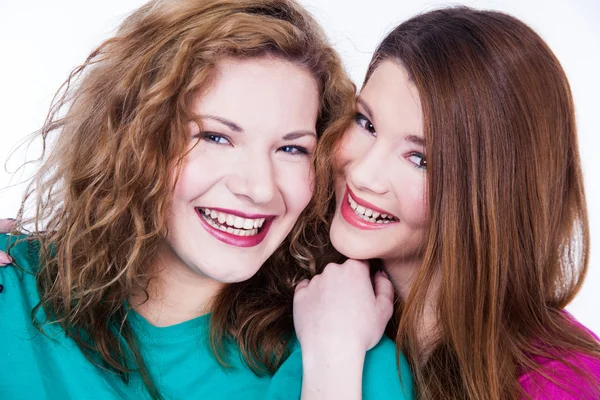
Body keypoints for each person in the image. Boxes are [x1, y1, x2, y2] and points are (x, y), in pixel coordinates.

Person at [0, 0, 413, 399]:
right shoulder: (12, 290)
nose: (259, 188)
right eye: (216, 137)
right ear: (135, 141)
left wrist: (333, 360)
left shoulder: (350, 363)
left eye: (292, 148)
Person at [294, 6, 600, 399]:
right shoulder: (304, 302)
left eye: (420, 159)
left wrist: (332, 359)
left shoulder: (565, 384)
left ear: (491, 195)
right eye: (366, 123)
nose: (362, 175)